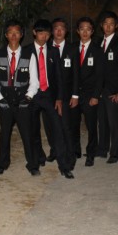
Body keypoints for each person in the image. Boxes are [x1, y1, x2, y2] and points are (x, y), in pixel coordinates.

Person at [0, 19, 40, 176]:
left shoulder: (29, 55)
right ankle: (2, 163)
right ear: (6, 35)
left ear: (22, 34)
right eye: (10, 32)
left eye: (17, 32)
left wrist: (28, 97)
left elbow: (35, 81)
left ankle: (32, 165)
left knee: (27, 132)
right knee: (5, 133)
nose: (13, 35)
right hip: (5, 99)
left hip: (22, 99)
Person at [27, 19, 74, 179]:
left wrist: (59, 98)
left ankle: (64, 166)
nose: (44, 37)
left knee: (58, 130)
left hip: (49, 96)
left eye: (47, 34)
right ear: (34, 33)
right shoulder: (26, 51)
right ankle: (35, 162)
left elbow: (59, 77)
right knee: (33, 130)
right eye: (41, 33)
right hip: (33, 95)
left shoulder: (53, 51)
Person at [70, 17, 105, 167]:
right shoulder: (72, 48)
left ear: (92, 31)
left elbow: (100, 76)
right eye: (82, 29)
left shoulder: (97, 50)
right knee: (74, 124)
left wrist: (96, 96)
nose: (85, 32)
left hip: (90, 95)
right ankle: (75, 150)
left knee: (91, 126)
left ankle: (91, 153)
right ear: (77, 31)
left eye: (88, 29)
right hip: (74, 94)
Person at [96, 11, 118, 164]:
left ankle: (115, 153)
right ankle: (102, 149)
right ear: (101, 25)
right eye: (105, 24)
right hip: (99, 89)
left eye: (111, 24)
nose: (108, 27)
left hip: (113, 90)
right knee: (102, 121)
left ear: (116, 26)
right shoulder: (98, 42)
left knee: (114, 122)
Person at [50, 18, 79, 169]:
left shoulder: (72, 49)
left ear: (66, 31)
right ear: (52, 31)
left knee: (66, 126)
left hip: (67, 95)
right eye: (56, 28)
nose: (59, 31)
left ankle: (70, 155)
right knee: (51, 125)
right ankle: (55, 150)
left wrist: (75, 95)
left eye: (62, 28)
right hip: (50, 95)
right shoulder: (46, 48)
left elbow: (76, 74)